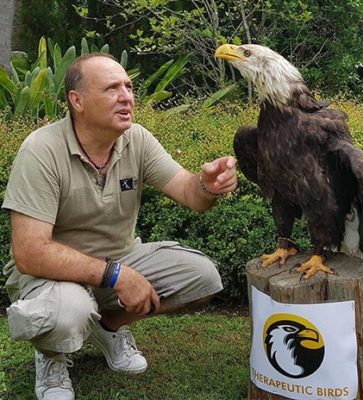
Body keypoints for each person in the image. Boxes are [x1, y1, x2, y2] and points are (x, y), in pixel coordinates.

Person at [1, 53, 237, 400]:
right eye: (112, 89)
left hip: (120, 258)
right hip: (52, 276)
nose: (127, 97)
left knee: (202, 276)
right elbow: (30, 253)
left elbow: (190, 193)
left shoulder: (136, 140)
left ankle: (109, 328)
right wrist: (116, 275)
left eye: (128, 87)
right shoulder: (41, 150)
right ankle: (51, 356)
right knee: (68, 312)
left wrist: (208, 186)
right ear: (77, 100)